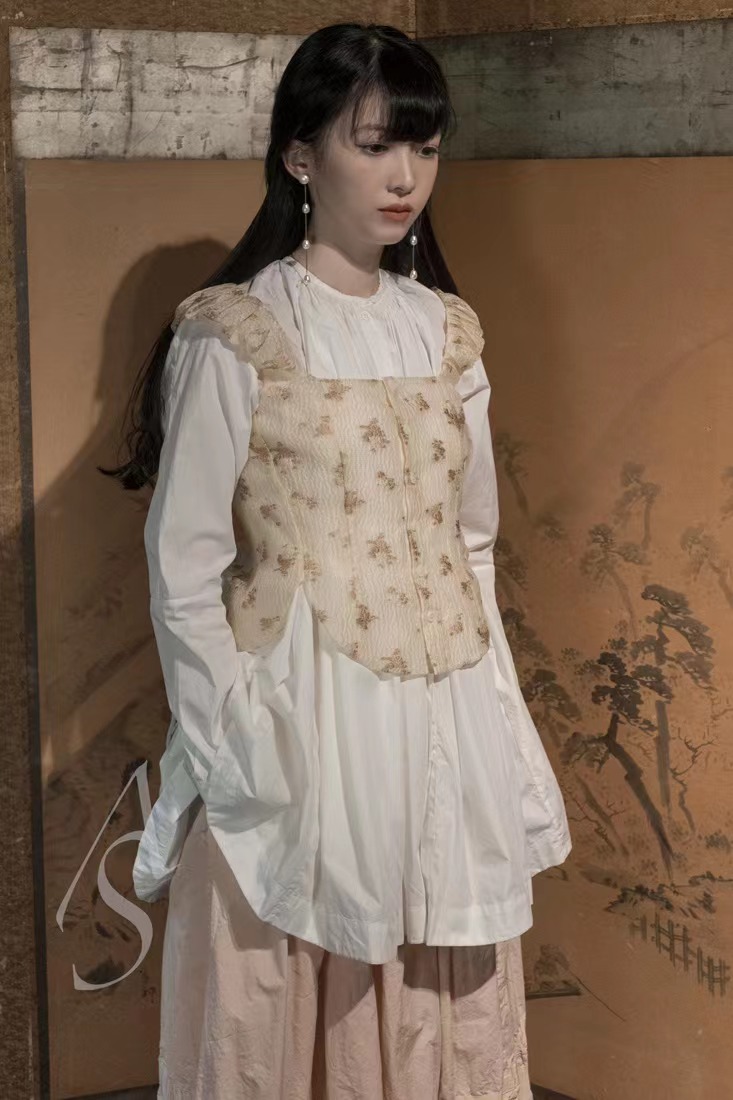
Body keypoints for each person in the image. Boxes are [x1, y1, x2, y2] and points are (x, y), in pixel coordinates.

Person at [102, 21, 571, 1100]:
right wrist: (230, 737)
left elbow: (469, 540)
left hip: (442, 707)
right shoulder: (238, 332)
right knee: (280, 989)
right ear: (301, 155)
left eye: (424, 147)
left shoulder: (447, 333)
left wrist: (495, 712)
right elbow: (183, 564)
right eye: (374, 144)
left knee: (439, 977)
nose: (405, 176)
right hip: (300, 707)